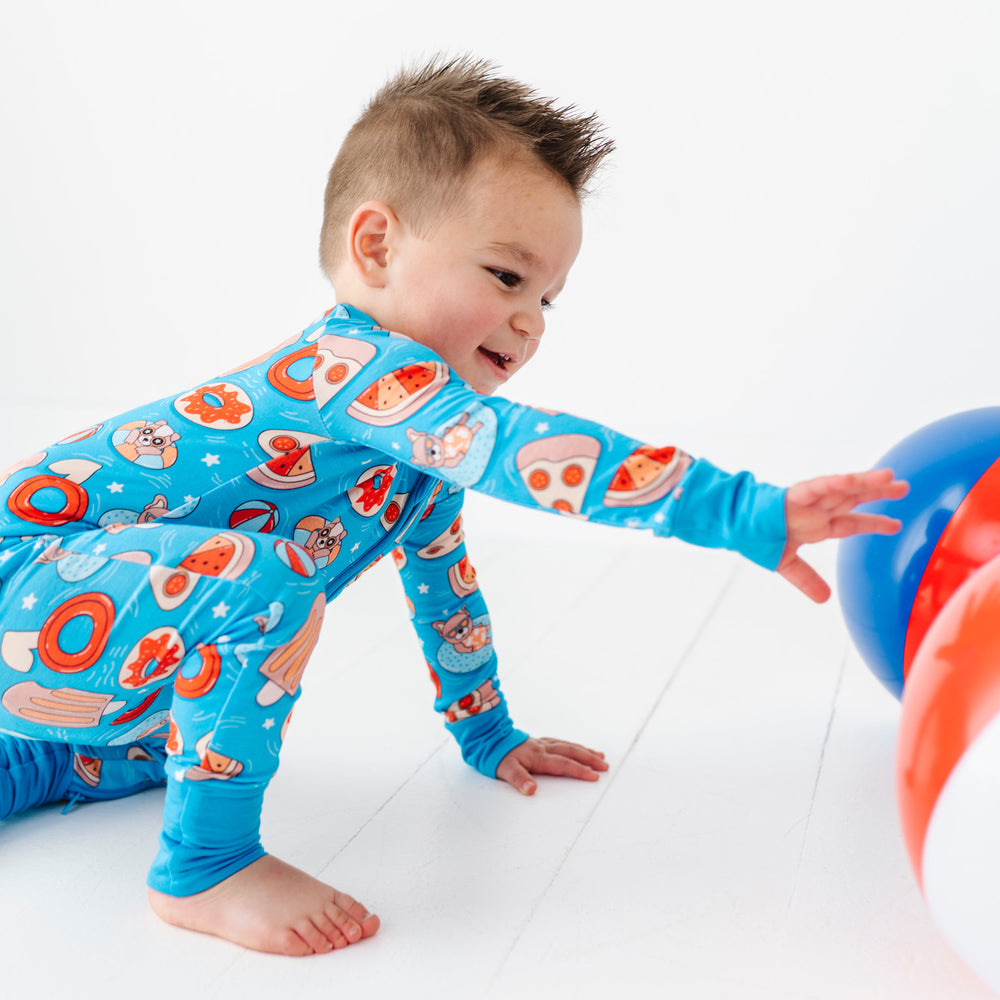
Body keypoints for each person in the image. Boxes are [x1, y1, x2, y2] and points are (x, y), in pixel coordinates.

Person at [0, 55, 906, 957]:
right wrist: (741, 510)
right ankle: (204, 865)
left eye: (549, 298)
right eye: (509, 279)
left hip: (63, 674)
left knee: (185, 699)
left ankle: (39, 762)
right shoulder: (348, 369)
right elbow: (520, 451)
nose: (533, 320)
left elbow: (447, 593)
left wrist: (487, 733)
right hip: (26, 579)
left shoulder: (415, 462)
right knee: (258, 583)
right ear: (377, 248)